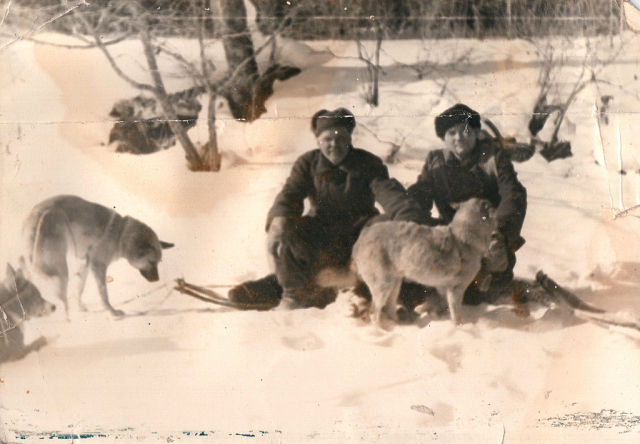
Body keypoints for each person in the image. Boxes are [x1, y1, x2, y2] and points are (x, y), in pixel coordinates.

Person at [229, 107, 426, 309]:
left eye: (341, 138)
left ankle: (372, 292)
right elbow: (290, 194)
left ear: (350, 139)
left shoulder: (368, 163)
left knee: (385, 226)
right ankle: (293, 294)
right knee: (291, 229)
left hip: (360, 239)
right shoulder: (308, 163)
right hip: (321, 239)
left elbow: (390, 193)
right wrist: (279, 219)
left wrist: (410, 220)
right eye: (327, 139)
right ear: (317, 140)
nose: (334, 145)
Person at [407, 104, 527, 304]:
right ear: (443, 138)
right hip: (450, 238)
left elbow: (513, 194)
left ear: (476, 133)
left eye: (465, 131)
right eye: (451, 133)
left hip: (487, 238)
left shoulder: (493, 157)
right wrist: (408, 213)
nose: (458, 138)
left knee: (484, 292)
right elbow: (421, 194)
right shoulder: (435, 161)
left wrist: (501, 232)